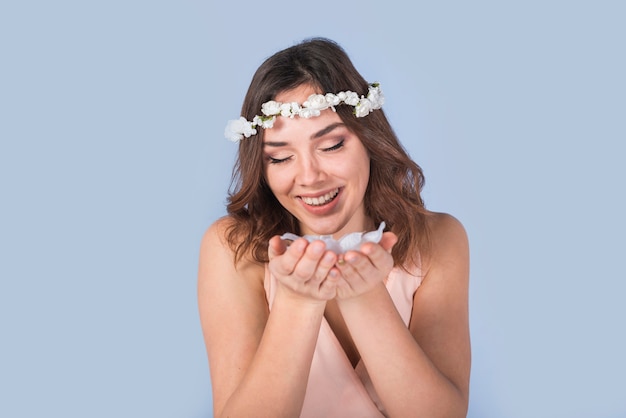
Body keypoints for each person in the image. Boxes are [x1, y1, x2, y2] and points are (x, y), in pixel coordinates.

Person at [198, 37, 470, 418]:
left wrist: (365, 297)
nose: (309, 177)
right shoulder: (231, 247)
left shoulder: (439, 239)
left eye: (331, 146)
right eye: (280, 157)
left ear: (369, 139)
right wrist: (298, 301)